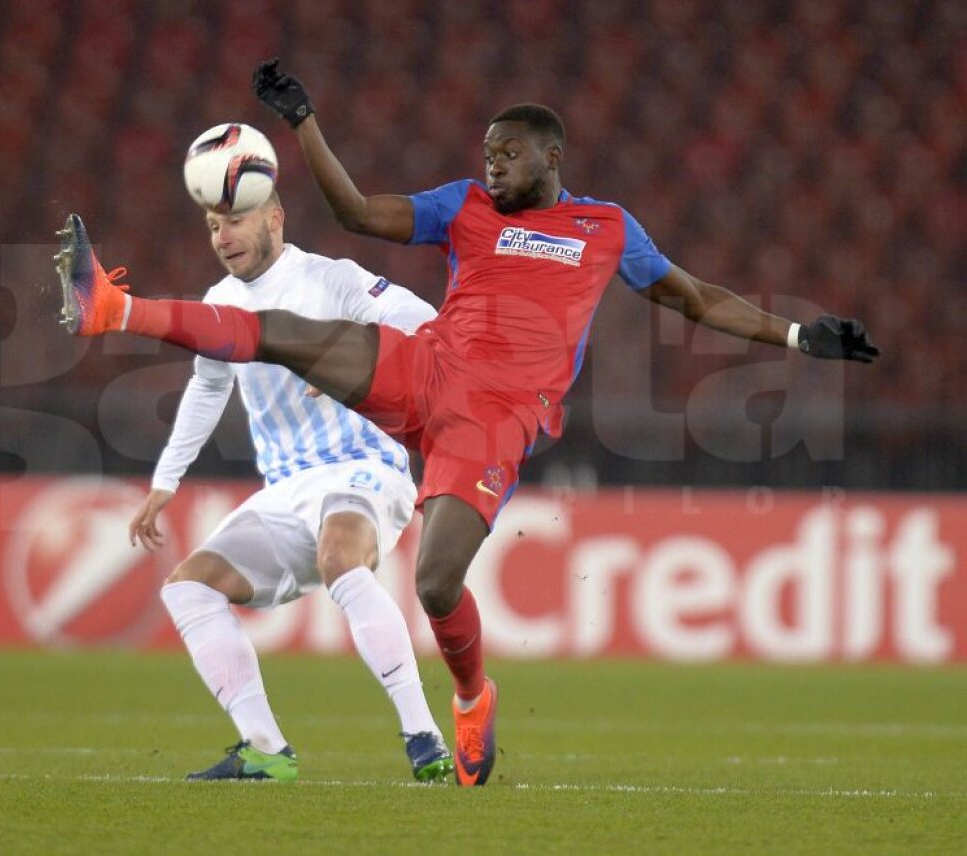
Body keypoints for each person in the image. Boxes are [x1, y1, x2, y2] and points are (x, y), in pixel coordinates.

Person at [53, 67, 878, 787]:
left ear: (552, 158)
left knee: (437, 584)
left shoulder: (606, 229)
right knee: (278, 336)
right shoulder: (468, 207)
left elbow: (695, 300)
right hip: (430, 368)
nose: (493, 165)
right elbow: (356, 214)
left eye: (508, 153)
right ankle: (112, 306)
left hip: (495, 422)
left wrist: (800, 336)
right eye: (487, 153)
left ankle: (472, 695)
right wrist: (303, 122)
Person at [117, 191, 452, 782]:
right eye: (213, 225)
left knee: (341, 560)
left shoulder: (331, 279)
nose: (223, 235)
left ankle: (423, 735)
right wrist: (165, 481)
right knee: (188, 589)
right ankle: (265, 748)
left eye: (236, 220)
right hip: (287, 490)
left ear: (276, 215)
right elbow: (207, 389)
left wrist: (354, 354)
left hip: (363, 466)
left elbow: (425, 321)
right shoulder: (220, 302)